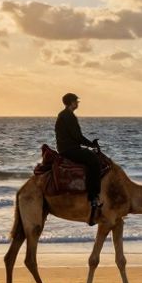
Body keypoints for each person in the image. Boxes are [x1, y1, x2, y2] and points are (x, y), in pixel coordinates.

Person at [55, 92, 103, 225]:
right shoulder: (68, 116)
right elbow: (77, 136)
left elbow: (77, 136)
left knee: (90, 156)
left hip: (67, 148)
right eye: (76, 101)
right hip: (69, 149)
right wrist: (91, 144)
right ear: (71, 103)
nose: (77, 103)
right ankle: (93, 196)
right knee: (94, 161)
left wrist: (89, 144)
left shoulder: (64, 115)